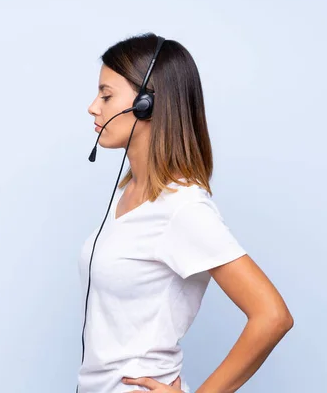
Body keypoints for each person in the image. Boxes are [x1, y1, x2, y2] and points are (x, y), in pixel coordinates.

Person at [78, 32, 293, 393]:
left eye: (107, 95)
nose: (93, 106)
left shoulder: (182, 208)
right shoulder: (129, 194)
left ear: (146, 103)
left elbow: (272, 316)